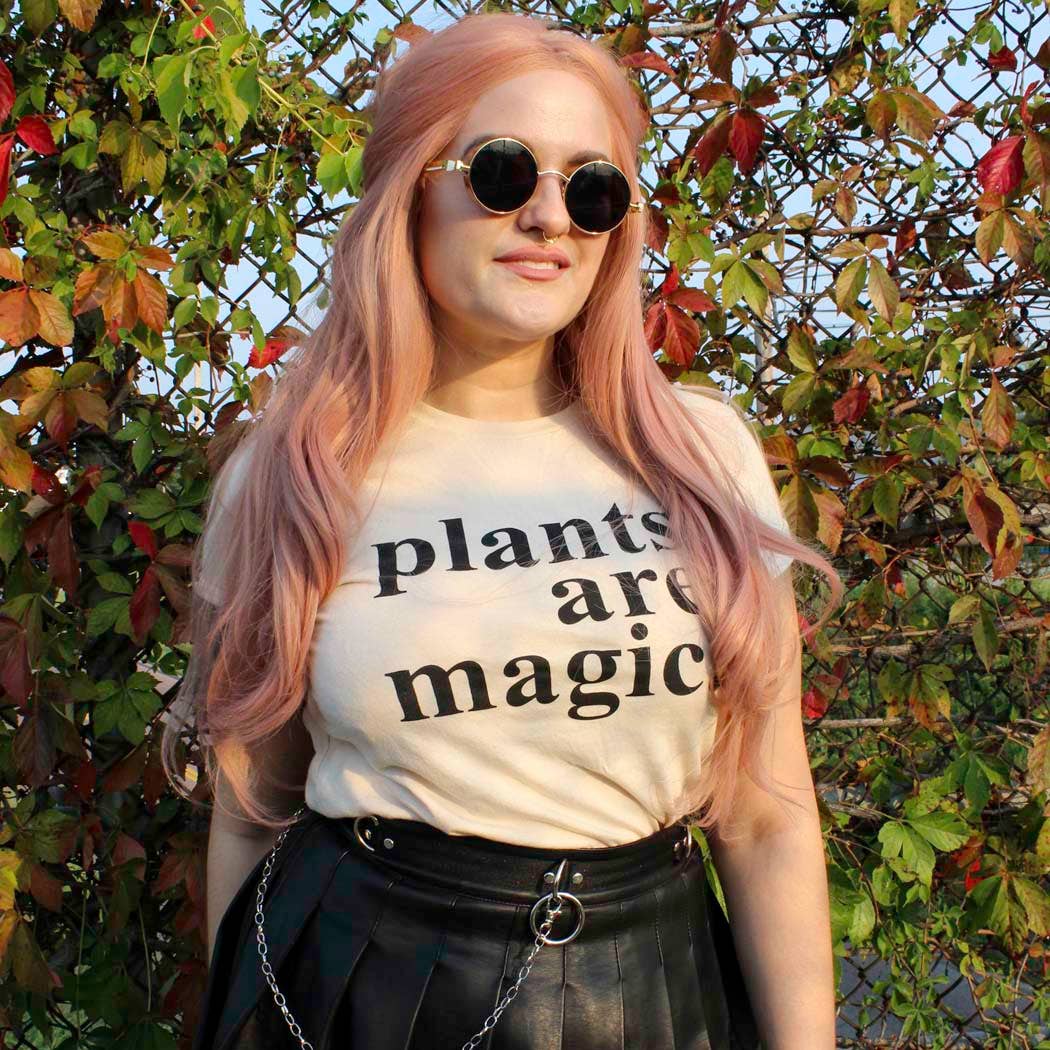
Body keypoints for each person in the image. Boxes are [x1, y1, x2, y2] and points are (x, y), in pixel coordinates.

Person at [163, 11, 845, 1050]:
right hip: (365, 989)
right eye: (502, 172)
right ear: (409, 188)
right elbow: (253, 805)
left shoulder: (703, 456)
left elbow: (766, 814)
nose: (550, 217)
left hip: (656, 990)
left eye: (593, 188)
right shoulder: (294, 472)